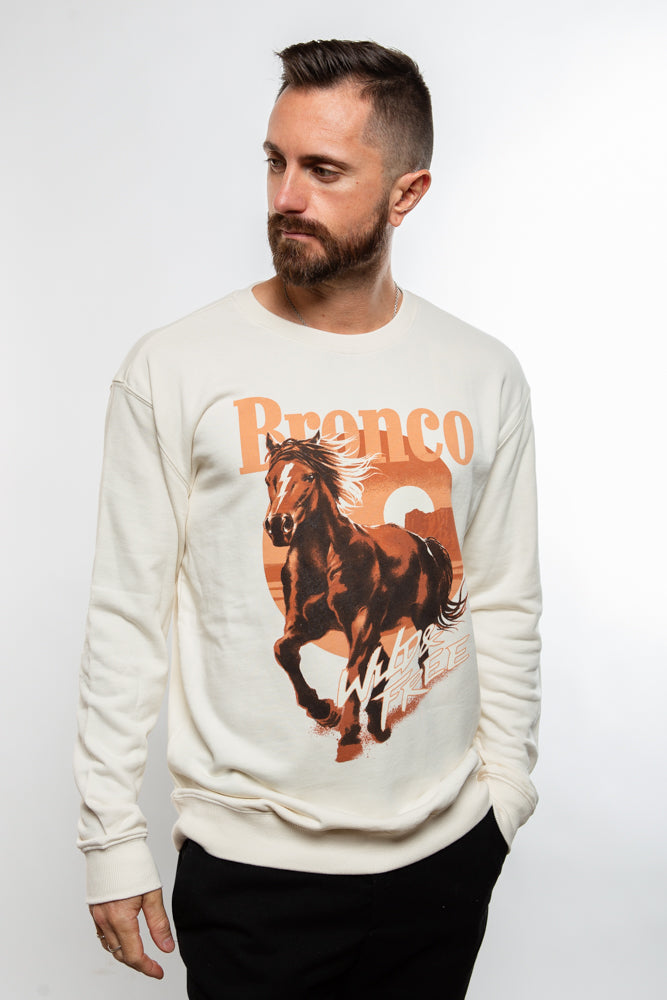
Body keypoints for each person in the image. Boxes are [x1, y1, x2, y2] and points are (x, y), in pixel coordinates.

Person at [75, 39, 541, 999]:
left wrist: (505, 794)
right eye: (274, 161)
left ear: (406, 194)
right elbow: (127, 615)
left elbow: (501, 596)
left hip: (445, 857)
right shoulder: (174, 367)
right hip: (252, 871)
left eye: (323, 170)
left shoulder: (482, 371)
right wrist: (110, 838)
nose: (285, 196)